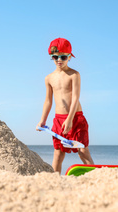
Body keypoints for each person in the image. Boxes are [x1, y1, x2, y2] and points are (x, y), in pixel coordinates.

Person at [36, 38, 94, 173]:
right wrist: (43, 120)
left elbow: (75, 98)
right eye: (55, 57)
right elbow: (48, 101)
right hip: (59, 119)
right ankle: (55, 180)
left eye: (63, 56)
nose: (59, 60)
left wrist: (69, 120)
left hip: (75, 118)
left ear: (69, 57)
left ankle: (95, 175)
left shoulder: (74, 75)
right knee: (58, 153)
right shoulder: (49, 78)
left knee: (82, 150)